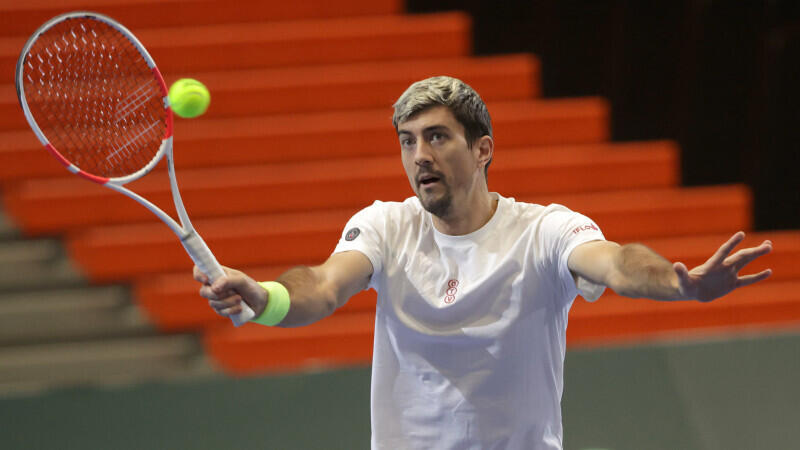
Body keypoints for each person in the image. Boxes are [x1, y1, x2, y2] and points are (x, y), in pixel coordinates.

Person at [194, 76, 773, 449]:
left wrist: (680, 286)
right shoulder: (386, 226)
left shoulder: (543, 231)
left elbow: (618, 262)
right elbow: (321, 285)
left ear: (482, 149)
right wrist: (266, 298)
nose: (420, 155)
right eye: (408, 140)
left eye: (438, 137)